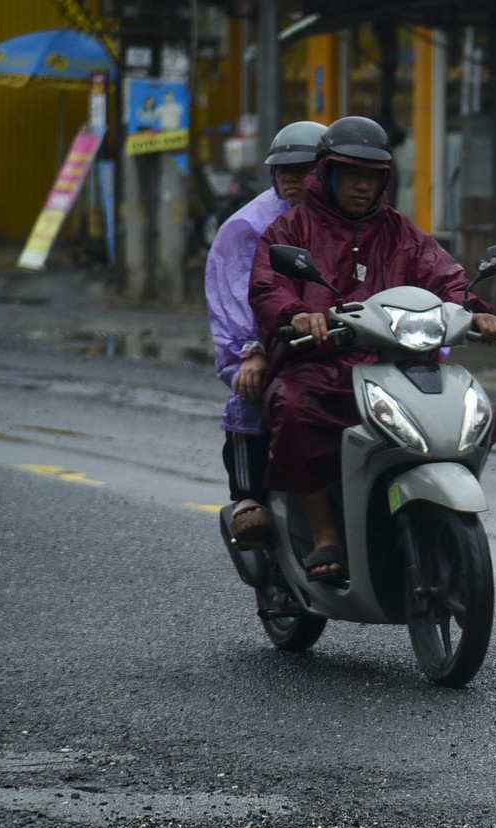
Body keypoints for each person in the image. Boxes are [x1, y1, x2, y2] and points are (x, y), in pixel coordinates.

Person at [250, 116, 496, 585]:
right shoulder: (291, 229)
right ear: (326, 173)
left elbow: (445, 276)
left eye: (371, 177)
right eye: (351, 175)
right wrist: (296, 314)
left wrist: (476, 309)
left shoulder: (400, 231)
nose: (362, 187)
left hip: (395, 362)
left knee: (470, 407)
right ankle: (326, 533)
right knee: (296, 405)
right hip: (319, 362)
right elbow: (269, 285)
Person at [204, 119, 323, 546]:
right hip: (275, 343)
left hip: (341, 343)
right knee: (252, 392)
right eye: (285, 170)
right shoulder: (250, 226)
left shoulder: (353, 217)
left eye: (306, 169)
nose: (294, 179)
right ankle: (247, 497)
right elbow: (239, 293)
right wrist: (251, 351)